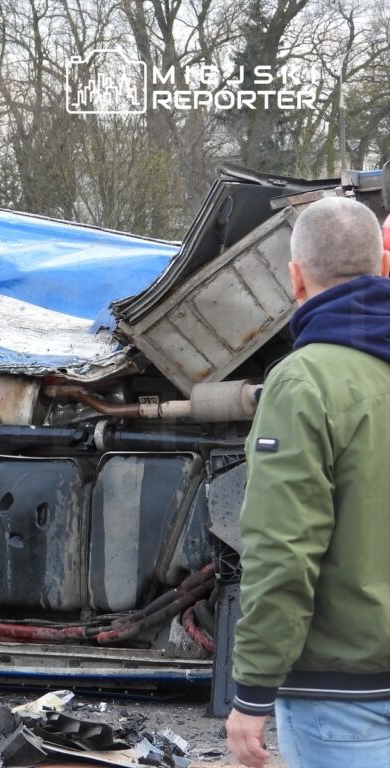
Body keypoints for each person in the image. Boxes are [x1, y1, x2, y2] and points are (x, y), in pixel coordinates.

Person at [226, 195, 390, 768]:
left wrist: (252, 691)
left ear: (295, 278)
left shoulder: (303, 383)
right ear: (383, 266)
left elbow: (284, 550)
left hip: (341, 700)